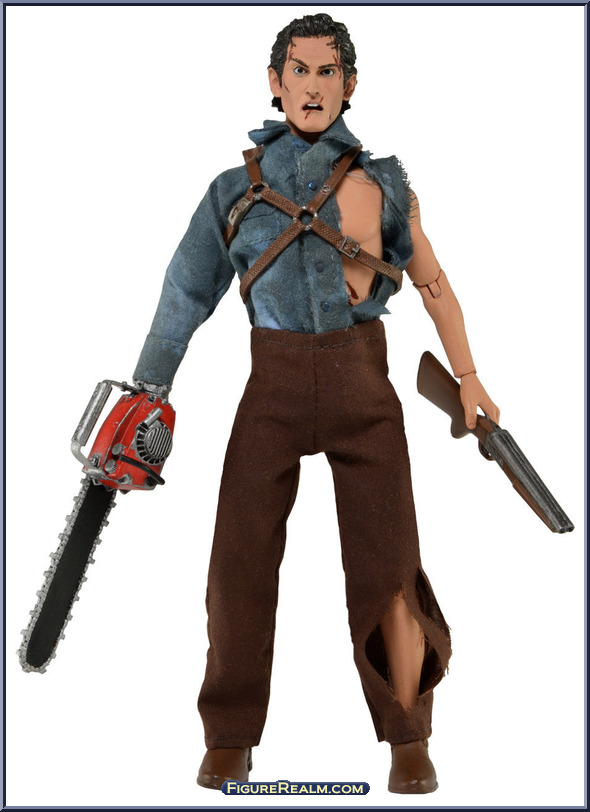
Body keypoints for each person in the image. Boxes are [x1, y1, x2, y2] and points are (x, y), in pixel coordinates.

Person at [132, 13, 499, 794]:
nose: (311, 85)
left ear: (350, 84)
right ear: (275, 81)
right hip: (272, 384)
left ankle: (407, 732)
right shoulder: (233, 192)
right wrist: (149, 389)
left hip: (364, 384)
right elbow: (184, 294)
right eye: (297, 70)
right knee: (237, 561)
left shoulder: (384, 185)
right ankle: (230, 733)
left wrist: (469, 378)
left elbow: (433, 284)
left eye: (327, 71)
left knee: (389, 565)